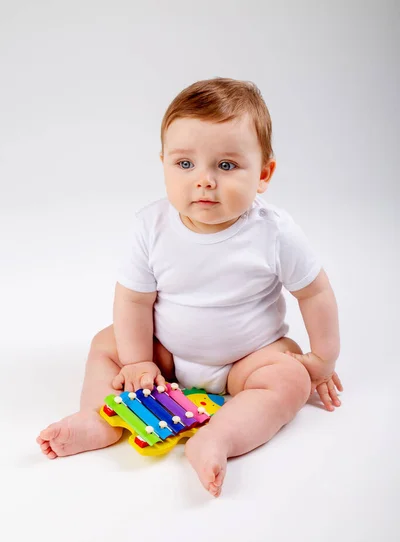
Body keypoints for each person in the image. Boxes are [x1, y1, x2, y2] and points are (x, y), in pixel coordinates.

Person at [37, 77, 343, 497]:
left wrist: (323, 358)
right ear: (163, 163)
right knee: (106, 345)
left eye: (226, 165)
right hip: (167, 353)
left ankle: (220, 438)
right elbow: (132, 300)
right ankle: (98, 418)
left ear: (263, 174)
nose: (204, 180)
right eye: (185, 164)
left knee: (290, 380)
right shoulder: (150, 227)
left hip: (248, 358)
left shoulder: (274, 232)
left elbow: (315, 292)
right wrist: (138, 360)